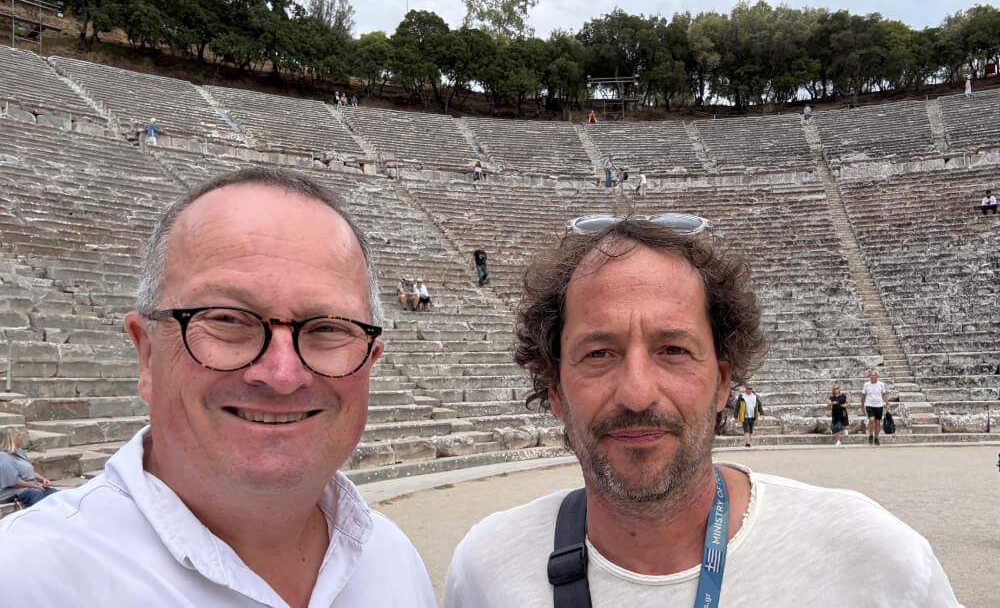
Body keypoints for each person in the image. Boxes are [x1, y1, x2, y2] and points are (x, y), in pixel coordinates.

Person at [444, 215, 960, 607]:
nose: (638, 393)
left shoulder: (877, 563)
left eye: (674, 350)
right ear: (554, 389)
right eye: (599, 353)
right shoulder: (484, 571)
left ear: (722, 382)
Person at [0, 167, 436, 607]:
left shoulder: (394, 561)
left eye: (327, 328)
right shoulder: (24, 581)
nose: (282, 375)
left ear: (370, 361)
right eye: (227, 319)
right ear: (146, 354)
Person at [0, 428, 57, 507]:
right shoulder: (3, 457)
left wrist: (42, 479)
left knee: (54, 493)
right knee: (36, 493)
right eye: (19, 435)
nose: (22, 436)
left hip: (29, 486)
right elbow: (13, 482)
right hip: (11, 491)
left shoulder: (19, 451)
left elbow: (28, 470)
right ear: (11, 439)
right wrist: (35, 486)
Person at [861, 370, 890, 446]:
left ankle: (876, 437)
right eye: (871, 376)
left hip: (879, 405)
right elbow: (863, 395)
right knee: (871, 419)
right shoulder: (866, 385)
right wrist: (862, 405)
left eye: (874, 376)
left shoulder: (881, 384)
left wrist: (887, 404)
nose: (872, 377)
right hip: (869, 404)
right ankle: (870, 435)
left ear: (877, 377)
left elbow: (884, 394)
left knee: (877, 422)